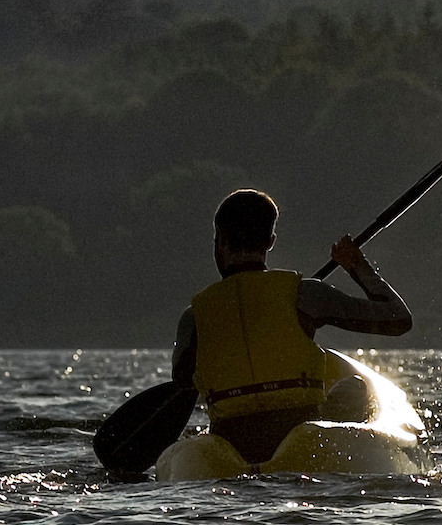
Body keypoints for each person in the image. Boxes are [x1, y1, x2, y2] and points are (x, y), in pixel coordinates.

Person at [169, 188, 411, 464]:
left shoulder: (194, 317)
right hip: (300, 436)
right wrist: (357, 265)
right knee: (356, 387)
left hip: (231, 441)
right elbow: (398, 319)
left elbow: (182, 386)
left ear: (220, 240)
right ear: (270, 241)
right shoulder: (304, 295)